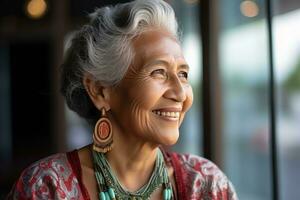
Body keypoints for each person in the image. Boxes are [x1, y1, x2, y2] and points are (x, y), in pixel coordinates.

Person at [7, 0, 238, 199]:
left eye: (183, 74)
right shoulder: (47, 187)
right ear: (100, 91)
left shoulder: (207, 184)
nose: (180, 94)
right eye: (158, 72)